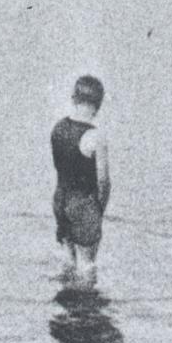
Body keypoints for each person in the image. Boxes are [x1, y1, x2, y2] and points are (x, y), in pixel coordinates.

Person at [51, 75, 112, 285]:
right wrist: (99, 209)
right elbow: (104, 182)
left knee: (68, 262)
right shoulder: (96, 137)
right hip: (84, 205)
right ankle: (86, 314)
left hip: (60, 200)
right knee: (87, 266)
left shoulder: (58, 129)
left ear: (73, 98)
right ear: (98, 104)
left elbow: (60, 166)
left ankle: (63, 311)